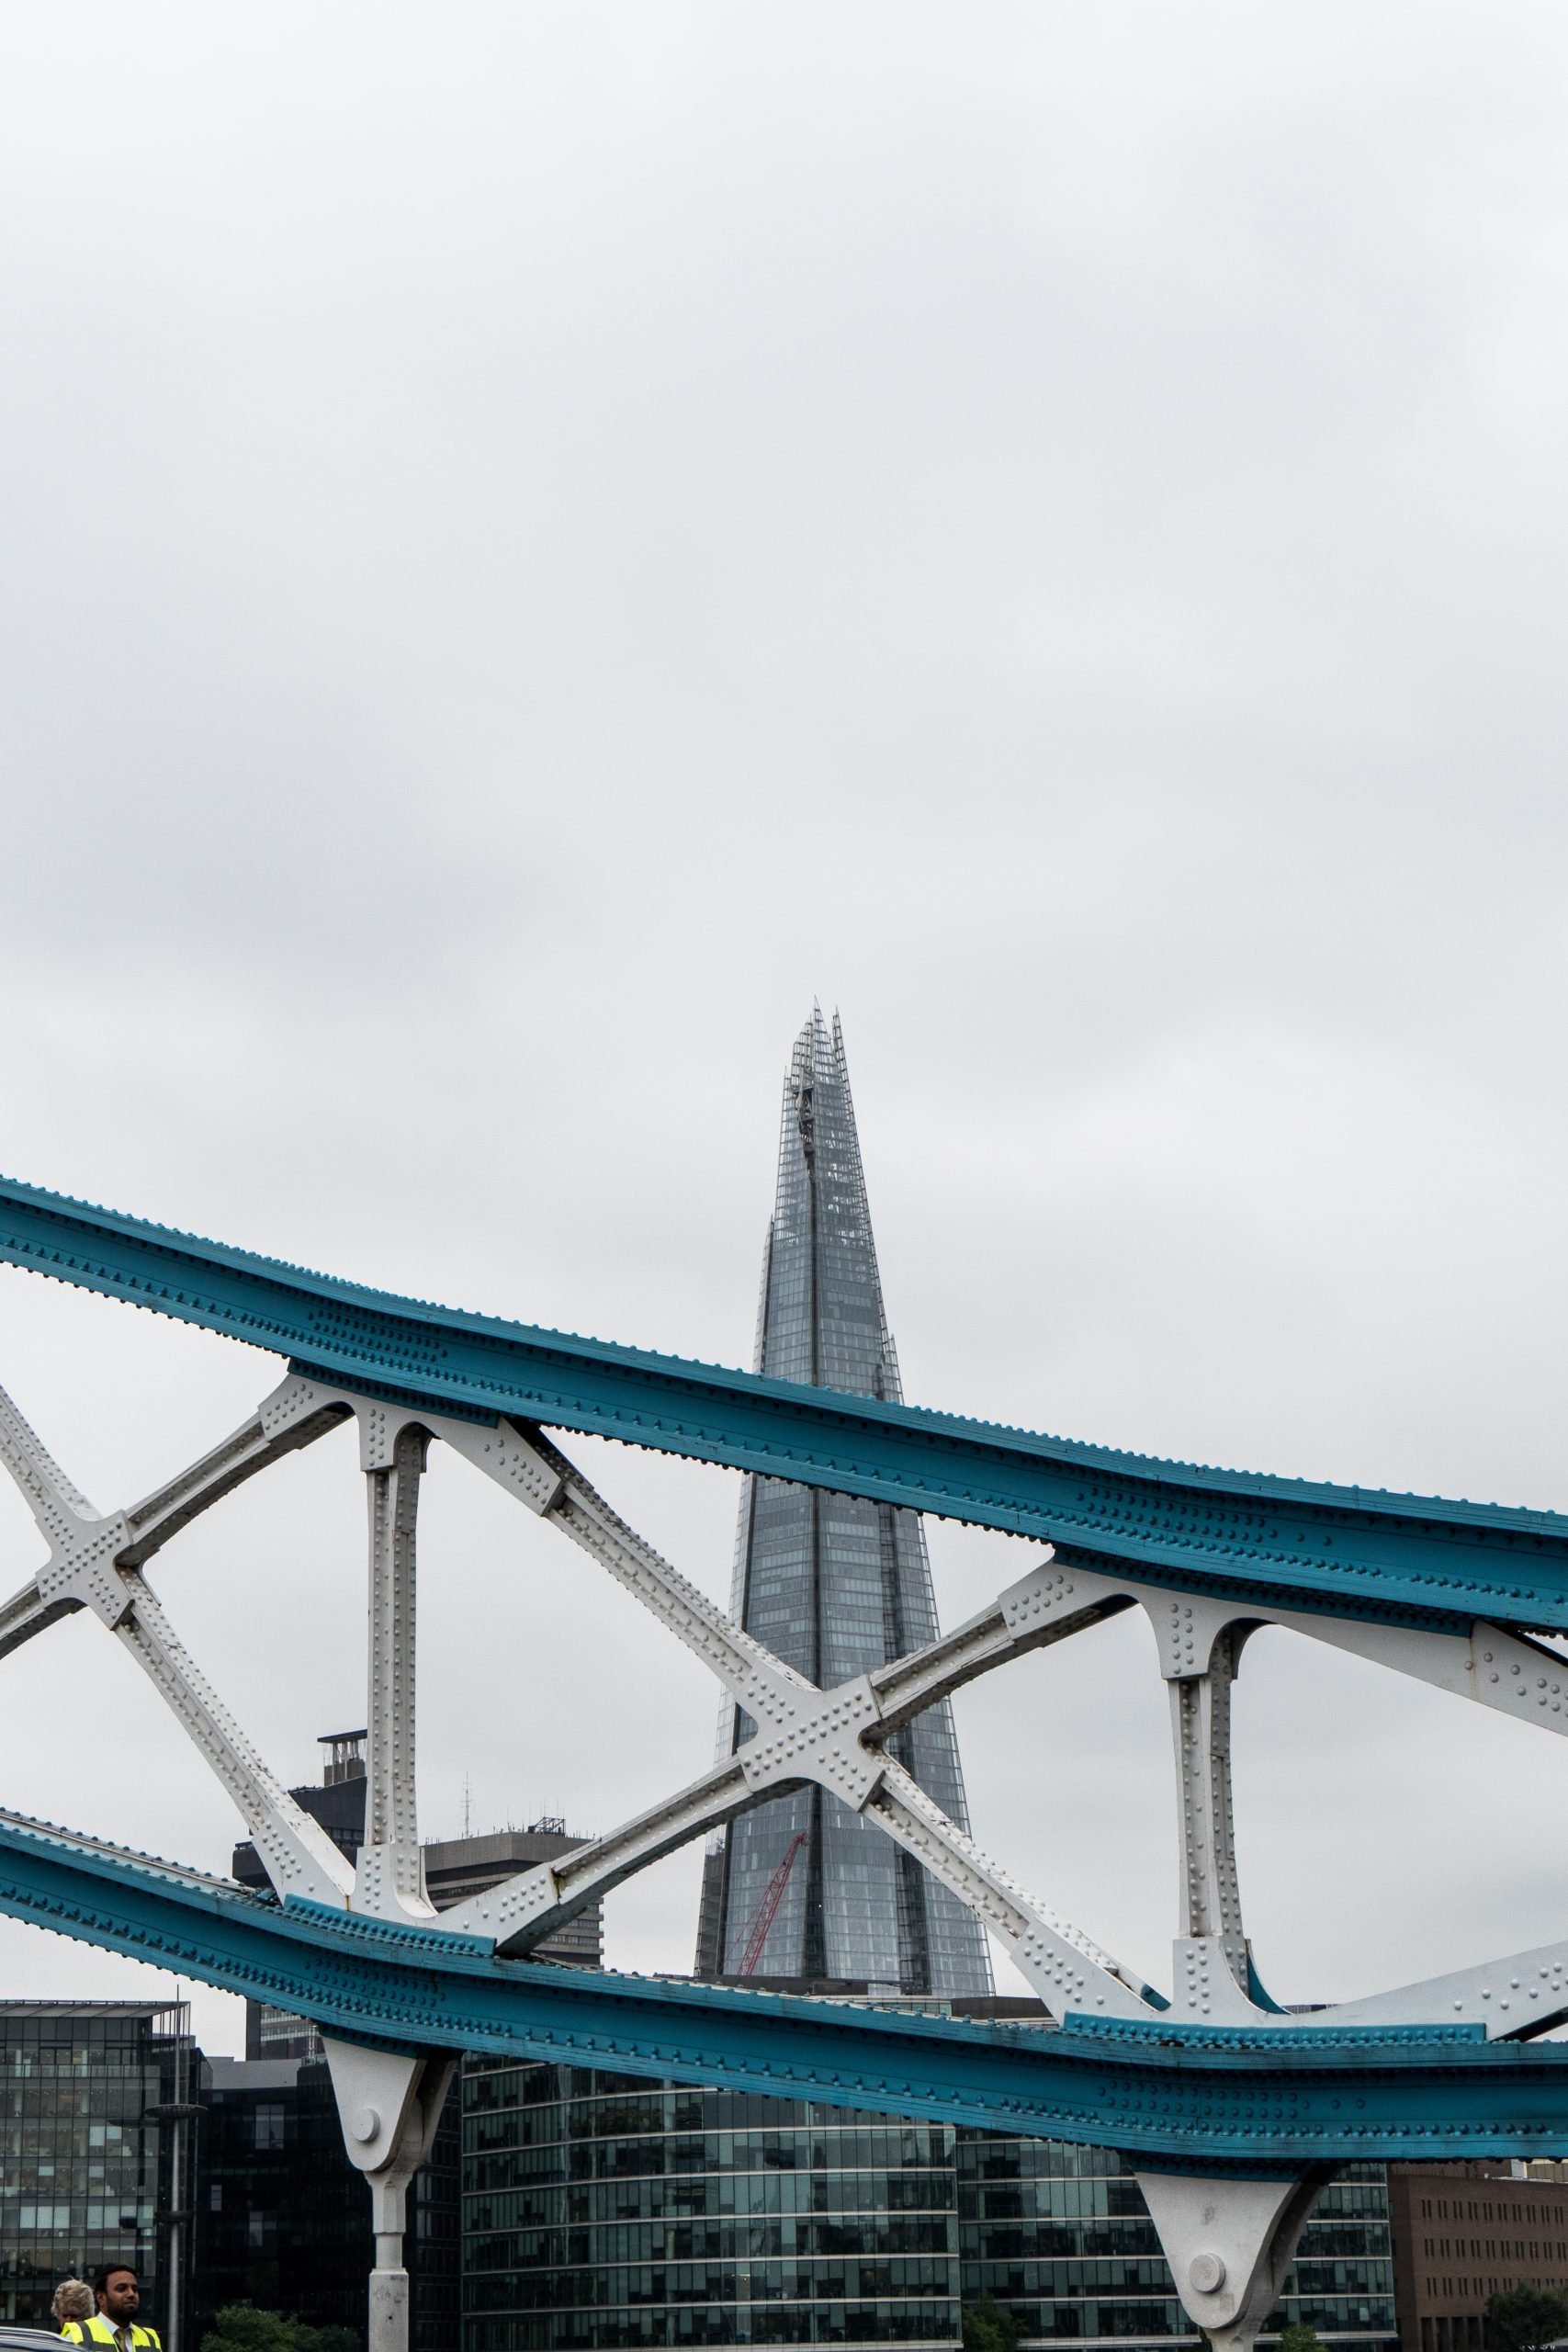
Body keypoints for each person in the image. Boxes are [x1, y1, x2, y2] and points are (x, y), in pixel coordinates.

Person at [58, 2265, 162, 2352]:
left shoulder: (150, 2339)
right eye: (121, 2288)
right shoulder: (78, 2335)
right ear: (101, 2298)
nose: (131, 2294)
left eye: (135, 2289)